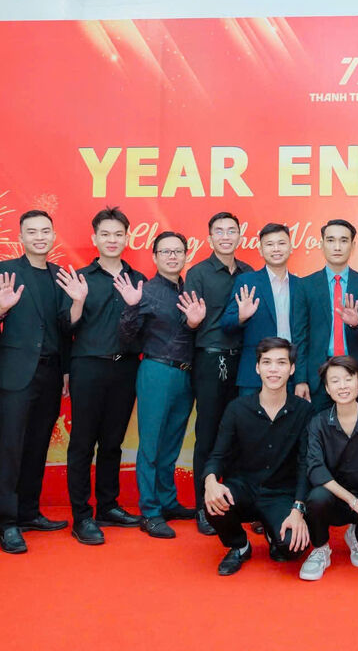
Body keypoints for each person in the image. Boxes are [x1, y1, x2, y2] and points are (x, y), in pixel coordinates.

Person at [0, 210, 72, 554]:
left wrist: (65, 370)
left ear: (53, 236)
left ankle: (29, 512)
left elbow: (65, 328)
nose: (39, 237)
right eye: (32, 231)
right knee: (11, 448)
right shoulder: (4, 271)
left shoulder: (59, 275)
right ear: (21, 237)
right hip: (16, 374)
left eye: (45, 231)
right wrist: (2, 309)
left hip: (50, 373)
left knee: (38, 446)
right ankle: (8, 523)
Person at [59, 207, 147, 546]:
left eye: (118, 234)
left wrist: (133, 306)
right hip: (88, 366)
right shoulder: (79, 278)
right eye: (105, 234)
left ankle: (108, 506)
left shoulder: (139, 279)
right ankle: (82, 515)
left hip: (126, 367)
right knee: (83, 442)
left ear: (127, 238)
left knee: (113, 442)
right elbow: (66, 328)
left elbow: (144, 329)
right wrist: (78, 302)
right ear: (94, 238)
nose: (112, 240)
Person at [117, 231, 206, 540]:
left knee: (172, 443)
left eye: (178, 251)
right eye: (165, 251)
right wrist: (131, 307)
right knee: (151, 445)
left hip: (186, 373)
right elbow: (126, 336)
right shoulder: (147, 290)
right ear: (154, 256)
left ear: (185, 255)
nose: (172, 256)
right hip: (157, 370)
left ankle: (168, 501)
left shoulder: (190, 289)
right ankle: (150, 511)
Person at [203, 337, 313, 576]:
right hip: (243, 488)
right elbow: (218, 455)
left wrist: (298, 509)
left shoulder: (304, 411)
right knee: (212, 501)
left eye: (281, 363)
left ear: (292, 369)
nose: (273, 369)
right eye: (267, 362)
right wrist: (210, 481)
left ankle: (275, 535)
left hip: (280, 494)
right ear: (257, 367)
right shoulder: (237, 408)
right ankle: (239, 545)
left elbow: (306, 463)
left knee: (293, 547)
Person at [183, 212, 253, 535]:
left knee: (240, 434)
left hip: (244, 362)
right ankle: (204, 506)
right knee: (208, 434)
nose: (226, 236)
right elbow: (188, 321)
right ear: (210, 237)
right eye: (219, 231)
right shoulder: (197, 273)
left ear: (240, 235)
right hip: (210, 360)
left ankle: (237, 502)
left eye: (231, 231)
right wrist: (193, 321)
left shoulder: (249, 272)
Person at [300, 355, 358, 580]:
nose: (342, 386)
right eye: (335, 381)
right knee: (317, 497)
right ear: (327, 389)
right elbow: (315, 469)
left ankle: (357, 538)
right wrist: (352, 501)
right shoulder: (318, 423)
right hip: (335, 498)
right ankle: (321, 548)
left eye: (348, 379)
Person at [292, 219, 358, 411]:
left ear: (353, 246)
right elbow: (299, 336)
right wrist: (300, 379)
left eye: (343, 240)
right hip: (318, 376)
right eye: (331, 240)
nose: (337, 247)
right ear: (322, 244)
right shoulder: (305, 285)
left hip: (357, 375)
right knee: (318, 428)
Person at [221, 222, 297, 400]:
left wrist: (302, 378)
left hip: (292, 373)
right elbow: (226, 324)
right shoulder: (247, 281)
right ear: (261, 250)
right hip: (254, 374)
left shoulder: (301, 285)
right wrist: (241, 317)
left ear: (290, 247)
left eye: (281, 243)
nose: (276, 249)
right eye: (269, 244)